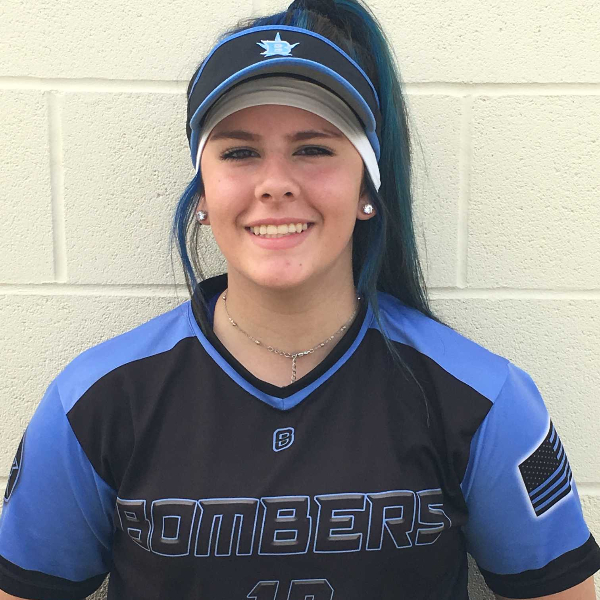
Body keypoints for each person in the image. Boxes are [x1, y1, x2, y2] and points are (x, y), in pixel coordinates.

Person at [0, 0, 599, 598]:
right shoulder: (94, 400)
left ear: (366, 187)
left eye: (314, 149)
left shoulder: (484, 398)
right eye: (239, 152)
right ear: (203, 194)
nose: (275, 184)